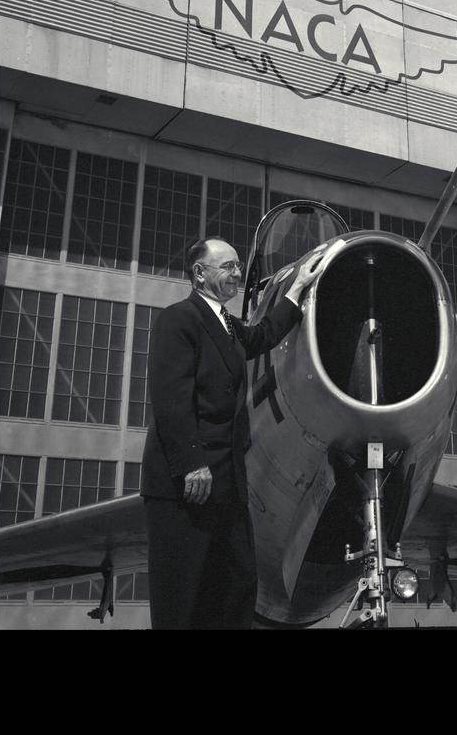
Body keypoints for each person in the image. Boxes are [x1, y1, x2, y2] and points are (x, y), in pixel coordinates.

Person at [140, 234, 337, 629]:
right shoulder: (179, 319)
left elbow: (263, 335)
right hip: (187, 487)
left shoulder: (227, 326)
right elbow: (170, 399)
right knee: (183, 596)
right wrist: (191, 463)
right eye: (227, 267)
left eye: (237, 267)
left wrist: (297, 289)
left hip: (227, 486)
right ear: (199, 273)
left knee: (236, 588)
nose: (236, 274)